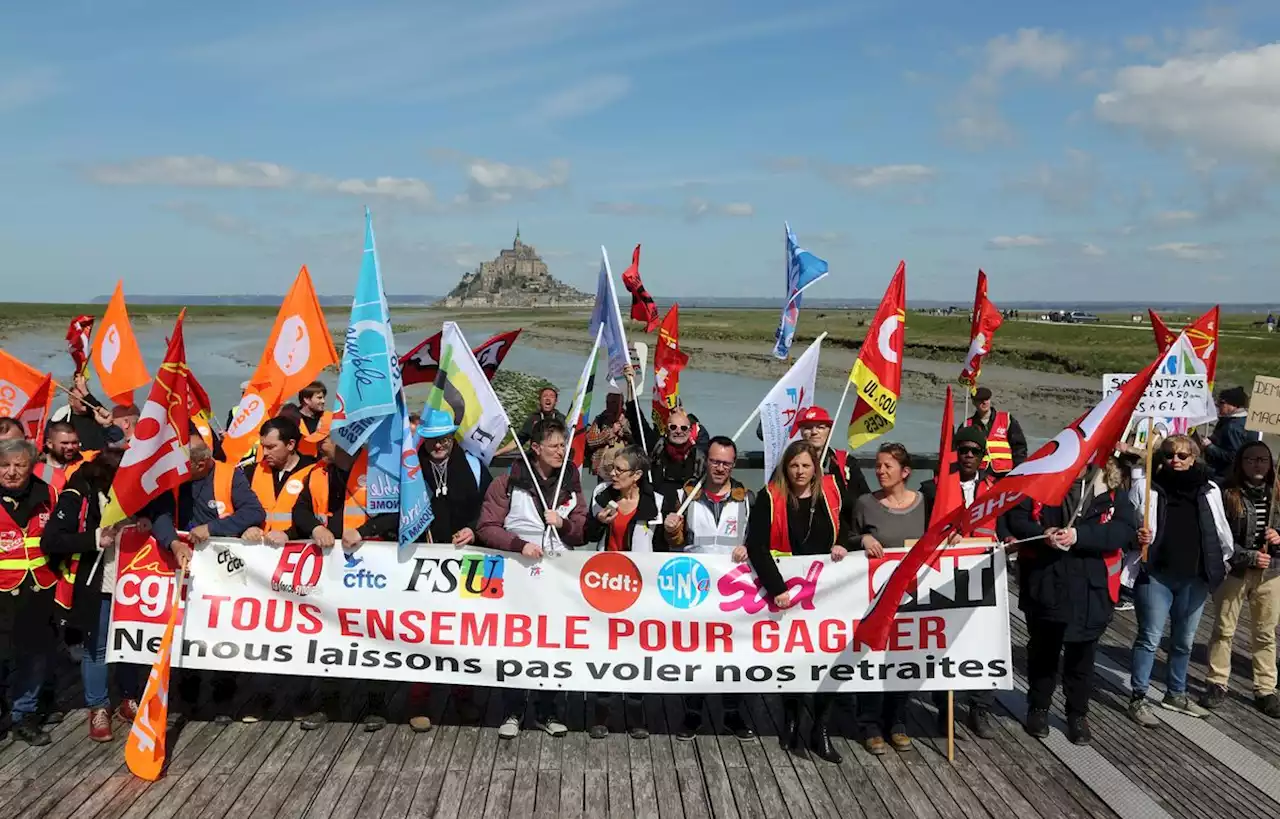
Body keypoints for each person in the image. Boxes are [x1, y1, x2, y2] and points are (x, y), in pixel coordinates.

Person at [1006, 457, 1136, 745]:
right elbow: (1016, 517)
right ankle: (1038, 707)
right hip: (1046, 583)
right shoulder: (1042, 481)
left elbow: (1124, 530)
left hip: (1091, 588)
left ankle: (1077, 713)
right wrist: (1044, 535)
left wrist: (1080, 535)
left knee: (1082, 657)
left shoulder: (1112, 489)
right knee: (1042, 653)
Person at [143, 435, 266, 725]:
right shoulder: (172, 474)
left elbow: (253, 511)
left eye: (188, 467)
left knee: (223, 633)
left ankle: (224, 699)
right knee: (185, 632)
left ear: (202, 463)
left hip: (221, 569)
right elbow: (159, 512)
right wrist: (172, 542)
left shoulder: (228, 474)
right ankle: (188, 700)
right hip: (181, 563)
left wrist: (212, 528)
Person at [478, 418, 587, 740]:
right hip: (518, 573)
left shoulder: (571, 482)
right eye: (554, 446)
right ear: (535, 449)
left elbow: (581, 531)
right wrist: (519, 545)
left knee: (554, 642)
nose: (561, 451)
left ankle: (547, 709)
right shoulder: (507, 483)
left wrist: (564, 525)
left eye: (564, 445)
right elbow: (487, 527)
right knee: (515, 641)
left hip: (556, 574)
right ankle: (512, 708)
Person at [744, 440, 847, 763]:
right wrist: (777, 588)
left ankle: (822, 729)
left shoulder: (833, 490)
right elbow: (756, 545)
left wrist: (843, 544)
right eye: (794, 466)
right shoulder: (769, 496)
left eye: (805, 465)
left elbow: (851, 526)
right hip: (786, 591)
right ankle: (790, 719)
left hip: (827, 591)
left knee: (827, 659)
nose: (800, 471)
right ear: (785, 468)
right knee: (794, 659)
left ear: (815, 467)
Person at [1127, 434, 1233, 727]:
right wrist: (1139, 536)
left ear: (1194, 457)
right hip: (1157, 574)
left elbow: (1221, 530)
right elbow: (1130, 521)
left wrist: (1221, 564)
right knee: (1149, 638)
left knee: (1184, 642)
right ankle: (1138, 696)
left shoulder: (1209, 490)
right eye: (1169, 454)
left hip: (1194, 577)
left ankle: (1176, 693)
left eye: (1183, 455)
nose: (1176, 460)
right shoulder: (1148, 488)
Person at [40, 449, 138, 742]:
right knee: (97, 647)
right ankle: (98, 706)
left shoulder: (139, 490)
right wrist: (95, 538)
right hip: (96, 581)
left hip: (133, 581)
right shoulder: (78, 493)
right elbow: (52, 540)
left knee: (130, 644)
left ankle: (128, 699)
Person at [663, 436, 755, 741]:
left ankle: (732, 712)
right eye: (715, 461)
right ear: (707, 460)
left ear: (734, 464)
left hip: (733, 589)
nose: (720, 468)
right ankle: (693, 712)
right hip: (696, 588)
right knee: (697, 652)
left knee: (734, 652)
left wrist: (750, 549)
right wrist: (671, 531)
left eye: (726, 463)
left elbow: (759, 539)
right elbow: (672, 545)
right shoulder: (685, 495)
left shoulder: (747, 498)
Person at [410, 408, 493, 731]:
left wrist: (474, 529)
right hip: (424, 559)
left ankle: (464, 696)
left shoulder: (474, 465)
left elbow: (490, 509)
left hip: (469, 558)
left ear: (453, 436)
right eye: (431, 439)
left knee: (465, 630)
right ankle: (419, 700)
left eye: (443, 438)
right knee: (422, 630)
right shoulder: (411, 465)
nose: (438, 444)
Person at [586, 446, 676, 740]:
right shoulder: (601, 495)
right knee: (605, 646)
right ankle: (601, 712)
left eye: (620, 470)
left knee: (636, 649)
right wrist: (597, 522)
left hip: (641, 588)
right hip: (606, 585)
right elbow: (586, 535)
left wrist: (674, 530)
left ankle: (636, 713)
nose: (613, 473)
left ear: (637, 475)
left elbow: (669, 546)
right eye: (612, 468)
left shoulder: (658, 503)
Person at [919, 425, 1000, 738]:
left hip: (984, 574)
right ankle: (945, 708)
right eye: (962, 449)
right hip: (944, 577)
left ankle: (981, 707)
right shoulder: (931, 488)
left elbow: (1006, 527)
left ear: (982, 456)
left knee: (985, 641)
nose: (968, 455)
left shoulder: (995, 491)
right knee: (944, 641)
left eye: (974, 451)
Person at [853, 443, 925, 755]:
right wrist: (863, 538)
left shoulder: (925, 503)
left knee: (904, 657)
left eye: (887, 467)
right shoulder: (865, 503)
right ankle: (869, 723)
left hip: (912, 597)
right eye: (878, 466)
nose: (880, 471)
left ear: (905, 472)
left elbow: (939, 535)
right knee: (872, 655)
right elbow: (847, 536)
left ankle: (897, 719)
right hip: (873, 597)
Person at [1201, 442, 1280, 717]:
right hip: (1234, 571)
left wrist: (1279, 538)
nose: (1257, 465)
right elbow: (1220, 537)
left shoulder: (1277, 494)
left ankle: (1266, 688)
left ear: (1270, 464)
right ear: (1241, 463)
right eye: (1250, 459)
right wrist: (1247, 557)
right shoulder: (1226, 493)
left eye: (1262, 459)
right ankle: (1217, 681)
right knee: (1224, 629)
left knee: (1265, 632)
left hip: (1271, 574)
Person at [0, 438, 62, 746]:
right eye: (4, 466)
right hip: (1, 591)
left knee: (34, 656)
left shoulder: (48, 494)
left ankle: (24, 715)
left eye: (19, 465)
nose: (11, 472)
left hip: (39, 587)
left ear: (31, 466)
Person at [795, 406, 871, 527]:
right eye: (808, 427)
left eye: (821, 427)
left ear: (829, 431)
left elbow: (865, 500)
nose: (814, 432)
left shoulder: (846, 462)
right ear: (801, 432)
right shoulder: (791, 464)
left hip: (844, 535)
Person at [964, 387, 1027, 475]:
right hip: (980, 474)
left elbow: (1019, 448)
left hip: (1005, 472)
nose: (984, 402)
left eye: (986, 399)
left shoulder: (1007, 419)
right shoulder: (967, 425)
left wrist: (1017, 470)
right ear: (974, 402)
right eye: (980, 400)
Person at [1202, 386, 1252, 484]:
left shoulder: (1233, 427)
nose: (1217, 406)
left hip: (1224, 476)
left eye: (1221, 403)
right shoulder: (1246, 421)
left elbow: (1234, 456)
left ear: (1233, 405)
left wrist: (1210, 446)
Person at [496, 386, 564, 456]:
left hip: (553, 458)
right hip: (534, 459)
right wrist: (498, 452)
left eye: (551, 396)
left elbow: (566, 441)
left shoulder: (561, 419)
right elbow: (519, 441)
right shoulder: (533, 418)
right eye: (545, 396)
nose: (548, 398)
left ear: (556, 402)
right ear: (540, 400)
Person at [295, 381, 332, 458]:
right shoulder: (292, 420)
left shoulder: (329, 417)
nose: (323, 401)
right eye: (319, 398)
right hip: (300, 465)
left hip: (321, 465)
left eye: (323, 398)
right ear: (307, 400)